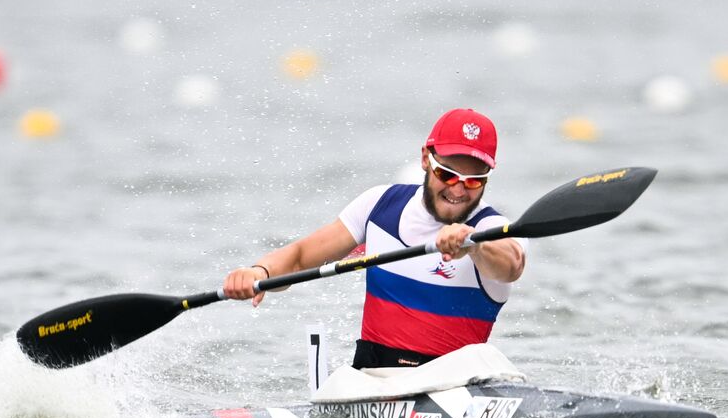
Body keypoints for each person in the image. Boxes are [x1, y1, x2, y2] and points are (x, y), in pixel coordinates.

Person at [222, 108, 526, 369]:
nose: (458, 190)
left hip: (455, 388)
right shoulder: (379, 206)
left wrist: (474, 243)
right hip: (374, 380)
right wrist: (259, 272)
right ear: (425, 159)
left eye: (473, 181)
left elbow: (510, 265)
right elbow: (301, 257)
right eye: (447, 174)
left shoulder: (495, 228)